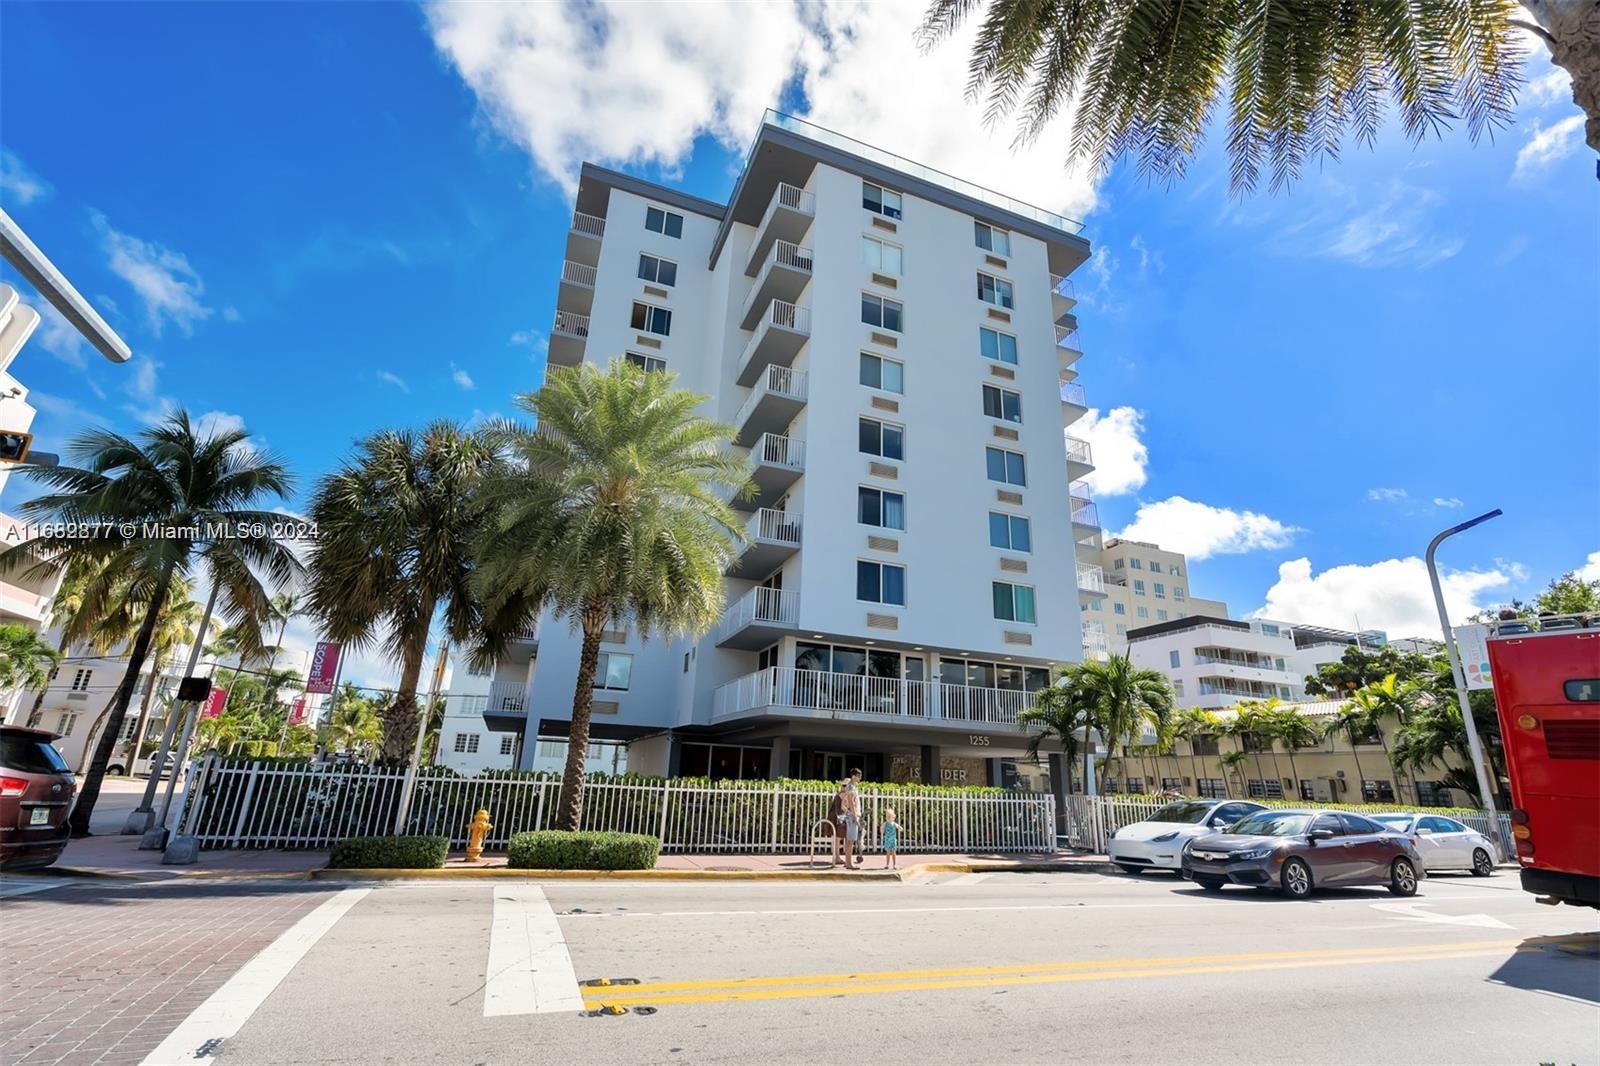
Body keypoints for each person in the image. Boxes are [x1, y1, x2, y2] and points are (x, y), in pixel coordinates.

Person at [840, 768, 863, 870]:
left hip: (850, 814)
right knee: (851, 840)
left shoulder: (850, 785)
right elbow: (851, 802)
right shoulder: (851, 786)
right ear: (854, 776)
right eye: (858, 775)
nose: (860, 777)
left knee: (849, 840)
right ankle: (849, 863)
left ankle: (847, 862)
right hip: (852, 815)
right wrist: (855, 816)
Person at [826, 781, 847, 867]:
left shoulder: (839, 794)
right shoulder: (844, 794)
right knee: (838, 838)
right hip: (839, 817)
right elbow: (843, 807)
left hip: (834, 816)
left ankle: (836, 856)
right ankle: (837, 857)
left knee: (836, 838)